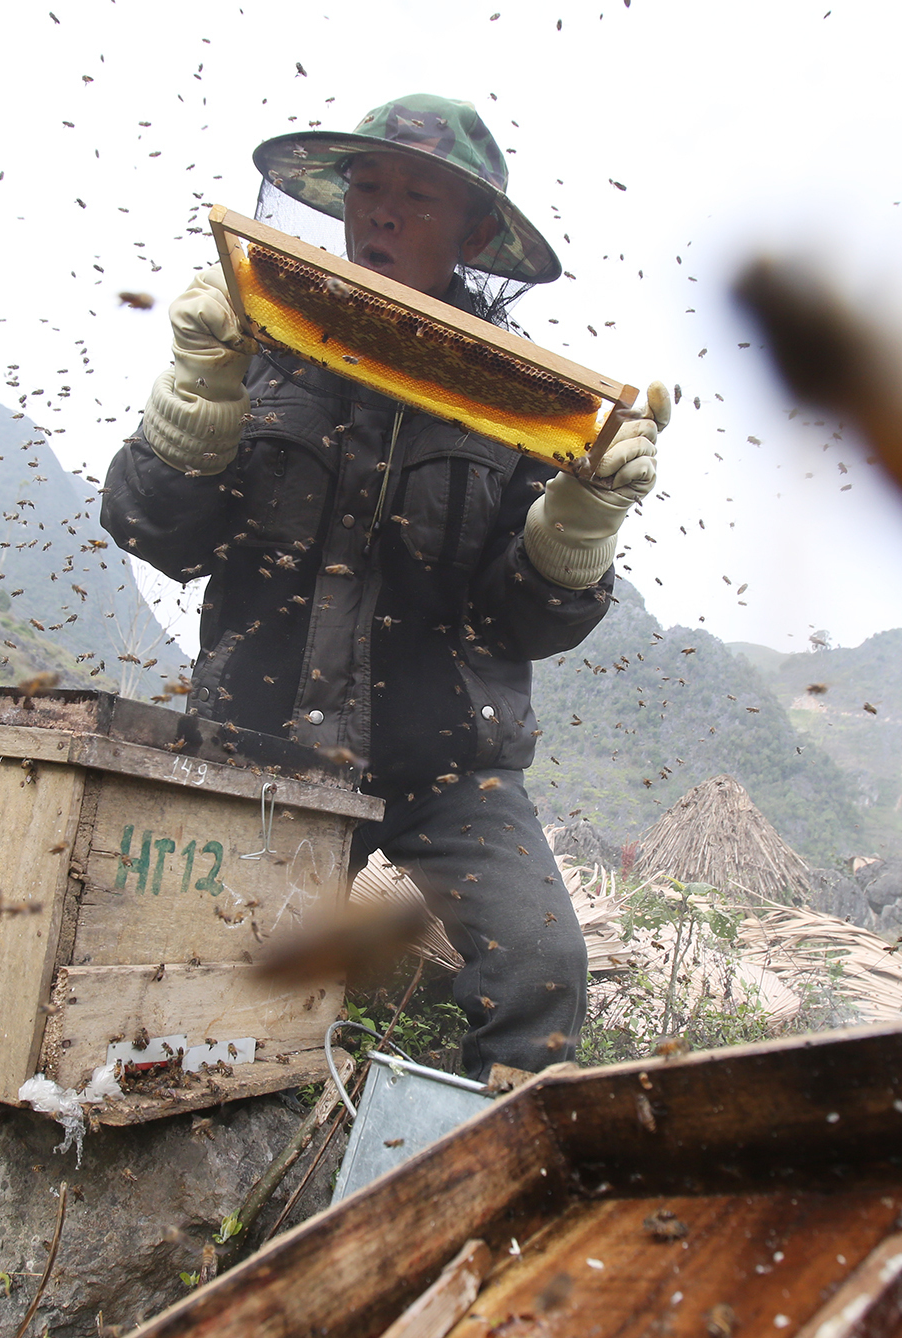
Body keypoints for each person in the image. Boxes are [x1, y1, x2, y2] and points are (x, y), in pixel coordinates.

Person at [102, 94, 669, 1077]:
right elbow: (156, 530)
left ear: (473, 231)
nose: (384, 212)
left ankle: (497, 1192)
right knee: (187, 991)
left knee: (540, 969)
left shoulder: (518, 401)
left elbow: (517, 620)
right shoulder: (267, 343)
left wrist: (582, 517)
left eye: (419, 194)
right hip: (261, 744)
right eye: (369, 186)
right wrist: (199, 387)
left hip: (447, 762)